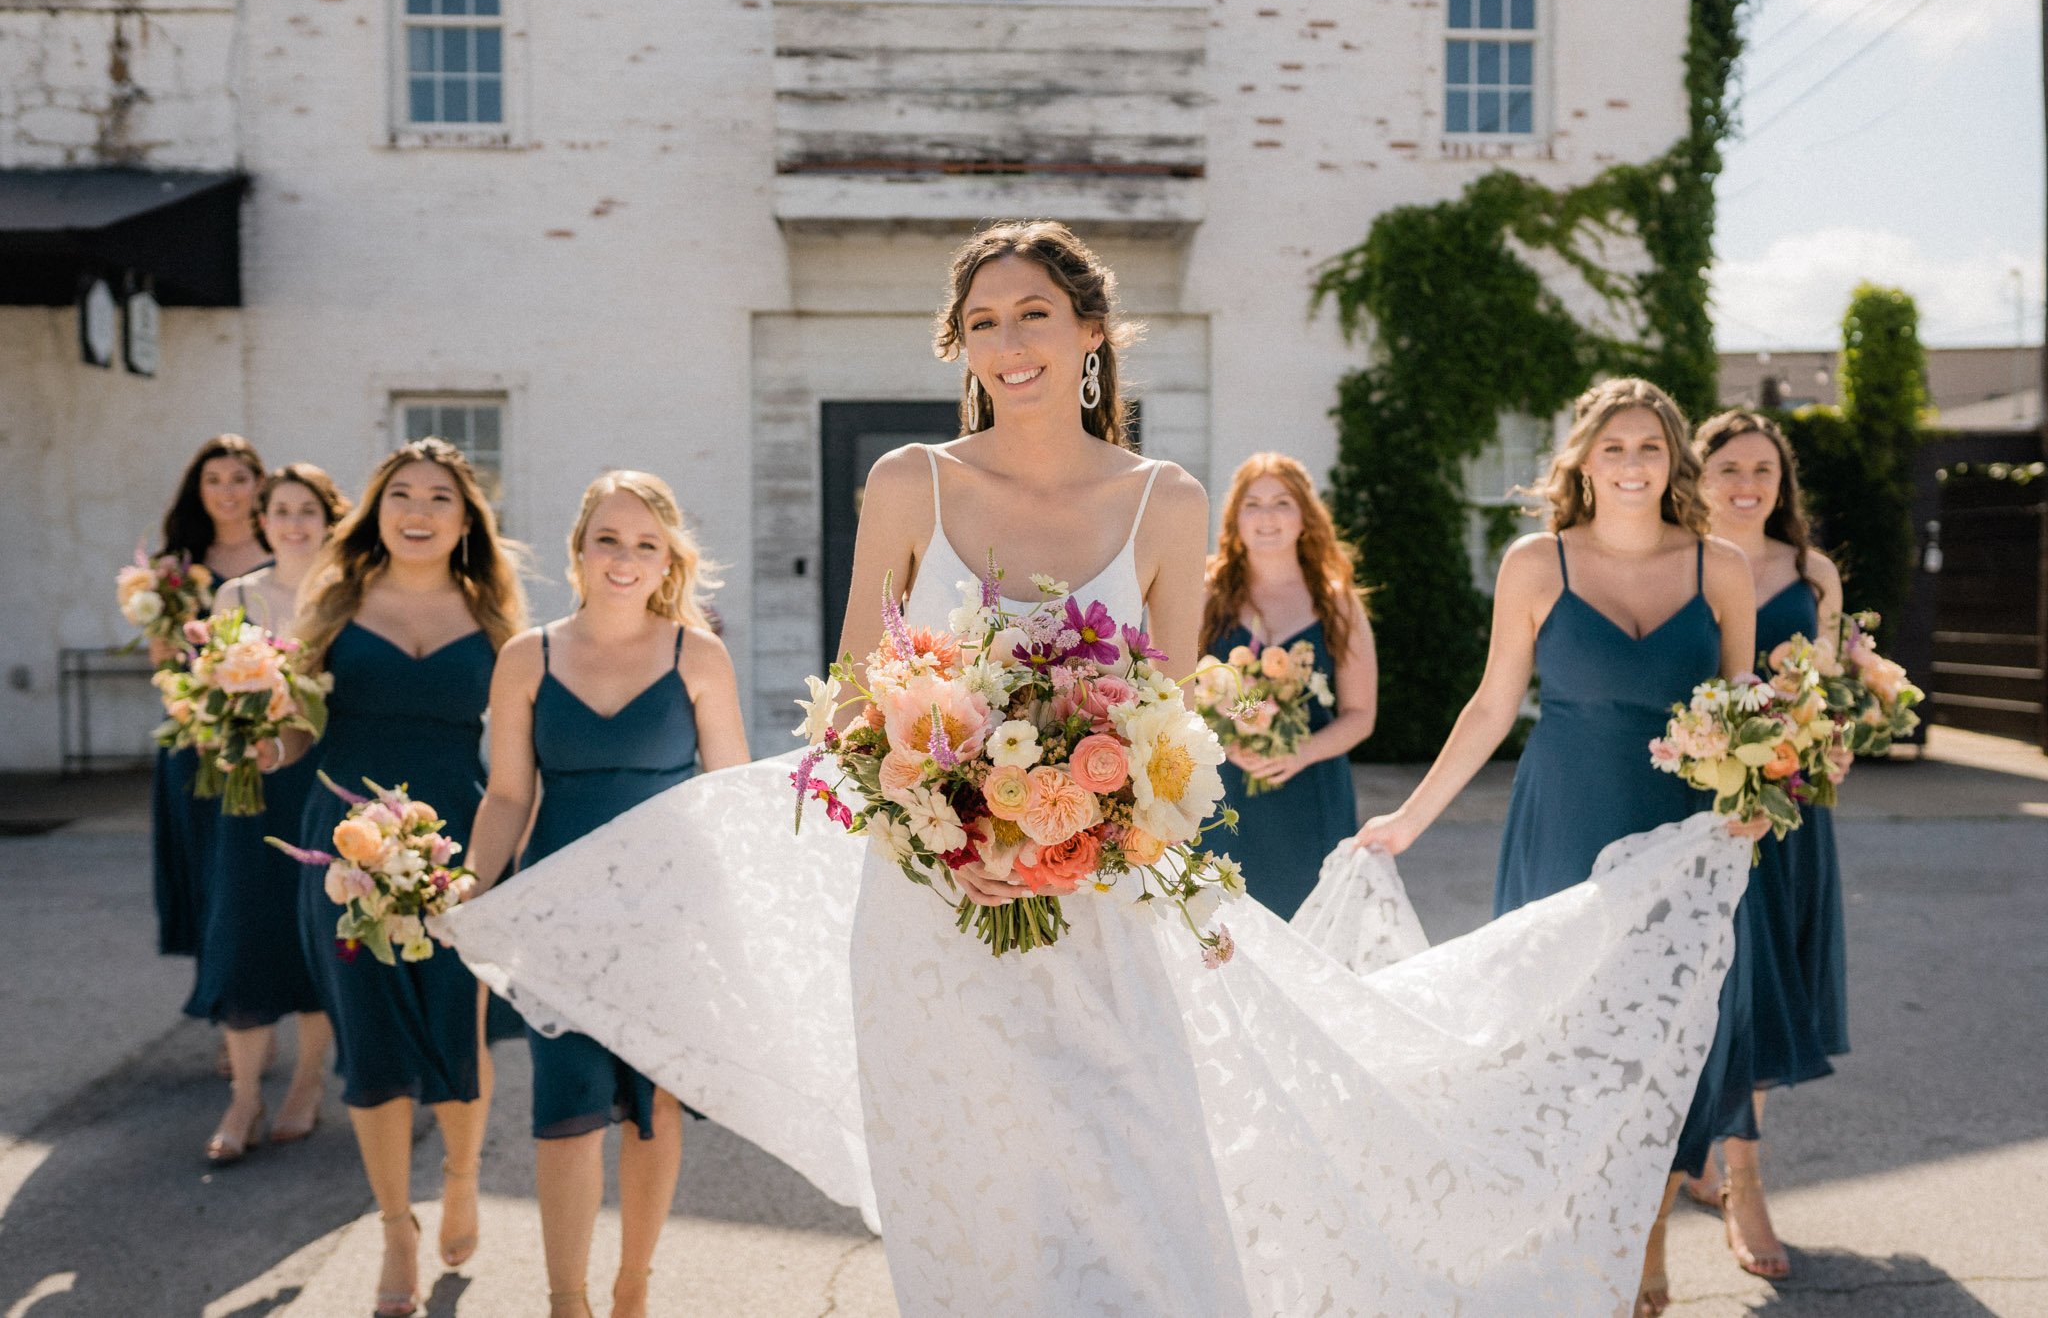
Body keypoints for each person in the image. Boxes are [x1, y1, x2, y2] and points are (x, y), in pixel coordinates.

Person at [436, 223, 1761, 1316]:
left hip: (1097, 898)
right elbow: (850, 699)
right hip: (924, 909)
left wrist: (1091, 804)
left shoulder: (1165, 501)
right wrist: (936, 792)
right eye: (987, 323)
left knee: (1132, 1171)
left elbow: (1169, 724)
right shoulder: (910, 484)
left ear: (1088, 335)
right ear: (962, 348)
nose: (1011, 345)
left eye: (1035, 316)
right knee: (967, 1192)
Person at [1354, 377, 1769, 1317]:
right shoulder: (1538, 564)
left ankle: (1649, 1228)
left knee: (1678, 1039)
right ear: (1582, 459)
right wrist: (1408, 820)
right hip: (1566, 819)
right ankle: (1571, 1238)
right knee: (1564, 1034)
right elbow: (1493, 703)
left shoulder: (1722, 567)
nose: (1632, 464)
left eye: (1650, 448)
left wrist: (1760, 793)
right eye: (1613, 447)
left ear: (1675, 463)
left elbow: (1753, 710)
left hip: (1688, 833)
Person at [463, 471, 749, 1318]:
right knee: (567, 1103)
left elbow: (728, 793)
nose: (625, 559)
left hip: (669, 913)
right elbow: (508, 794)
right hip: (559, 911)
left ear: (669, 562)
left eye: (645, 544)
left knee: (653, 1105)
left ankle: (632, 1287)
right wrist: (470, 887)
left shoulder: (699, 655)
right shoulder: (527, 656)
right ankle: (565, 1300)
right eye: (608, 540)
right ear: (579, 552)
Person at [277, 438, 525, 1318]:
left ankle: (460, 1179)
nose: (418, 510)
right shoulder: (334, 603)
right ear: (377, 511)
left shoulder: (497, 618)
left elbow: (518, 752)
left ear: (466, 523)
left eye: (440, 499)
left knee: (461, 1025)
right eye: (402, 495)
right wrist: (262, 729)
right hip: (344, 848)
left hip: (459, 847)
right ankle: (394, 1227)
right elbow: (294, 736)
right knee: (370, 1037)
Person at [1683, 409, 1850, 1282]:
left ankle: (1741, 1172)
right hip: (1691, 800)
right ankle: (1714, 1158)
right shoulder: (1676, 558)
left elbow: (1823, 690)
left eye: (1765, 472)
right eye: (1729, 469)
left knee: (1763, 980)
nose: (1748, 486)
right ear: (1700, 476)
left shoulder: (1812, 570)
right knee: (1710, 982)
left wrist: (1836, 737)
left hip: (1784, 807)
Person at [187, 465, 349, 1162]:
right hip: (251, 790)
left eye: (306, 510)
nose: (292, 522)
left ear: (327, 519)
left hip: (322, 783)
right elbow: (209, 693)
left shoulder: (347, 599)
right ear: (263, 519)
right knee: (243, 930)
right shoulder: (236, 594)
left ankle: (306, 1084)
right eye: (280, 509)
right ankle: (245, 1094)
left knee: (312, 932)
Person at [1200, 453, 1376, 916]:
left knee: (1310, 931)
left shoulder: (1337, 604)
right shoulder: (1206, 594)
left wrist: (1300, 753)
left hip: (1311, 790)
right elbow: (1177, 689)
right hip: (1224, 791)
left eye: (1282, 502)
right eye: (1252, 504)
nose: (1267, 516)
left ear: (1305, 517)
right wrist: (1225, 735)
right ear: (1235, 519)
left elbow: (1361, 715)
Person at [150, 435, 269, 964]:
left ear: (259, 485)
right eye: (213, 481)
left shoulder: (285, 553)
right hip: (199, 738)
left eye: (239, 479)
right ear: (197, 491)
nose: (227, 492)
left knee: (262, 875)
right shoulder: (177, 569)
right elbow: (167, 665)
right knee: (207, 870)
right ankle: (226, 1004)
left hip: (271, 740)